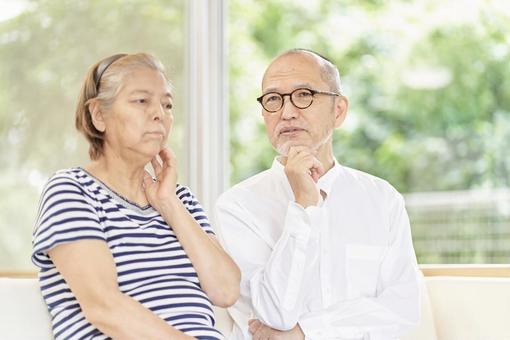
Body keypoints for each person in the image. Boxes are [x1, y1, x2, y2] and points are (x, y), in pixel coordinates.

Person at [32, 53, 240, 340]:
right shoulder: (71, 190)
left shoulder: (179, 198)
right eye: (142, 101)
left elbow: (226, 290)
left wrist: (169, 204)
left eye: (167, 104)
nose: (160, 114)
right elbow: (105, 308)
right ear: (99, 115)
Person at [215, 49, 420, 340]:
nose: (287, 112)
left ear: (338, 111)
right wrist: (304, 206)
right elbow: (272, 315)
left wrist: (305, 333)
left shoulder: (382, 200)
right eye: (273, 99)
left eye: (304, 94)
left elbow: (404, 310)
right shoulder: (237, 207)